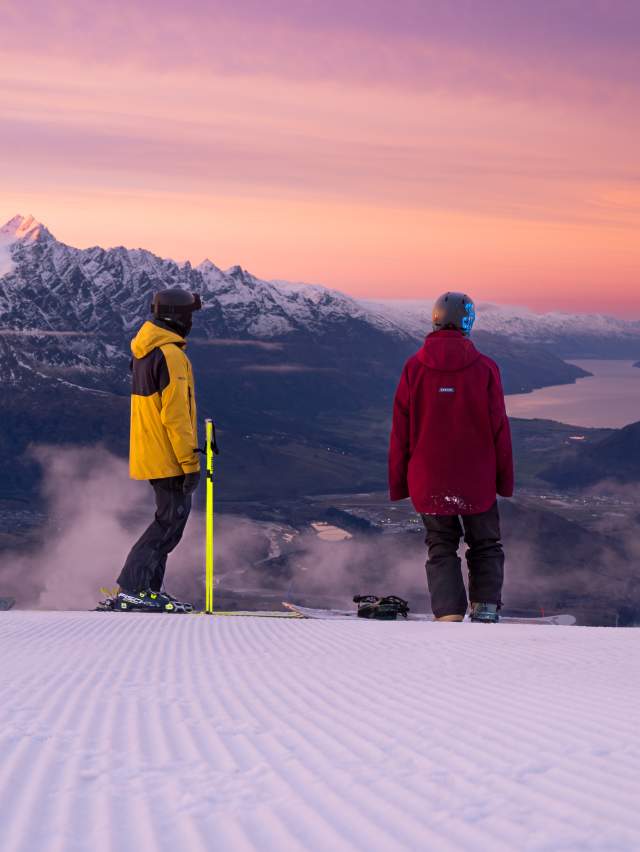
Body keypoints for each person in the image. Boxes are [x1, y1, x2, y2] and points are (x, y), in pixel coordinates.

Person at [388, 292, 514, 623]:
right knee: (485, 543)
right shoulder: (486, 367)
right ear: (466, 321)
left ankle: (448, 617)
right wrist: (504, 480)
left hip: (428, 477)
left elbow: (400, 430)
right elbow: (499, 428)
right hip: (477, 477)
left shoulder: (413, 367)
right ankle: (485, 611)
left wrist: (400, 483)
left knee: (441, 546)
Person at [113, 288, 202, 613]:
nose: (192, 321)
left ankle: (149, 589)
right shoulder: (170, 355)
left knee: (169, 521)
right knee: (169, 523)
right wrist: (189, 462)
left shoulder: (145, 351)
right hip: (168, 455)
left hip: (152, 450)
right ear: (177, 316)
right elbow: (175, 415)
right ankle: (134, 588)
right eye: (189, 315)